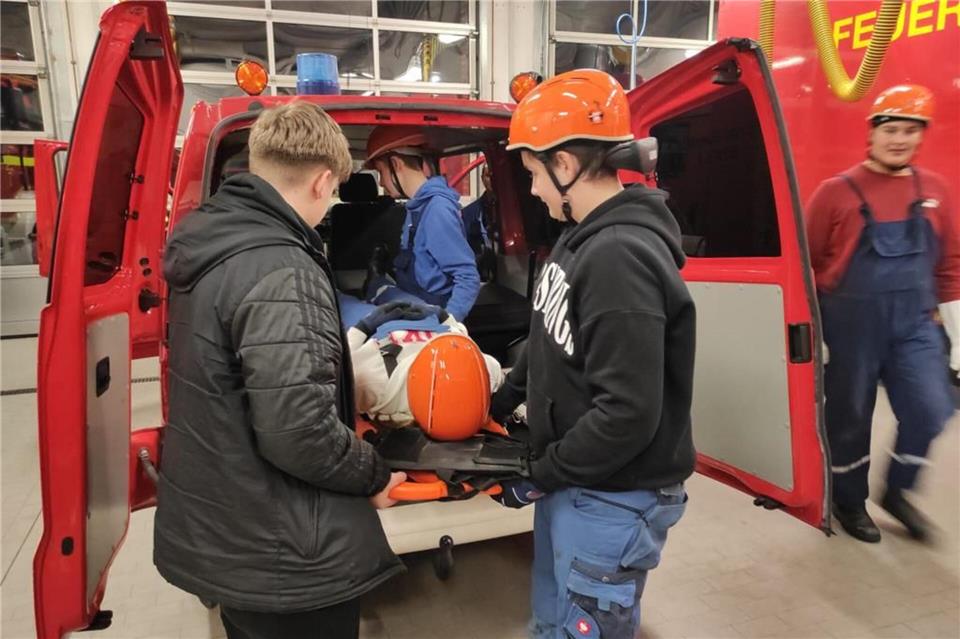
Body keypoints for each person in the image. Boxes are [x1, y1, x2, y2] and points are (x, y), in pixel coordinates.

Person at [156, 101, 407, 639]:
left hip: (229, 528)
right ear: (322, 181)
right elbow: (299, 433)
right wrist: (374, 473)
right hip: (284, 558)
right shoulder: (284, 268)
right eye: (336, 191)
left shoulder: (211, 243)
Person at [489, 69, 696, 639]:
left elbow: (627, 413)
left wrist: (539, 474)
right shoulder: (578, 236)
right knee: (551, 620)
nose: (530, 190)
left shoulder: (619, 256)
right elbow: (547, 331)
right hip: (576, 480)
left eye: (532, 173)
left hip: (614, 496)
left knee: (581, 626)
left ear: (564, 165)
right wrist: (503, 399)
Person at [805, 84, 959, 544]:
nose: (900, 139)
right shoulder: (835, 193)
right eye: (891, 129)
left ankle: (897, 491)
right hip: (849, 324)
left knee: (932, 409)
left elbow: (949, 267)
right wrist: (814, 332)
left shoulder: (935, 189)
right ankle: (848, 499)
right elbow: (807, 266)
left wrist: (958, 336)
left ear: (921, 137)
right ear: (872, 133)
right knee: (849, 417)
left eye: (911, 131)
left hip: (914, 321)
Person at [363, 125, 481, 321]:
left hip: (428, 314)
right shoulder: (417, 207)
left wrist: (449, 325)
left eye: (380, 172)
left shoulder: (437, 210)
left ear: (396, 164)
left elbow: (467, 277)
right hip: (411, 302)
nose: (382, 183)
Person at [346, 302, 503, 428]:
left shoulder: (371, 379)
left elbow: (341, 368)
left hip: (386, 331)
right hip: (436, 327)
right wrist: (445, 317)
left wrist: (363, 327)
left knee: (350, 303)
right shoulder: (487, 370)